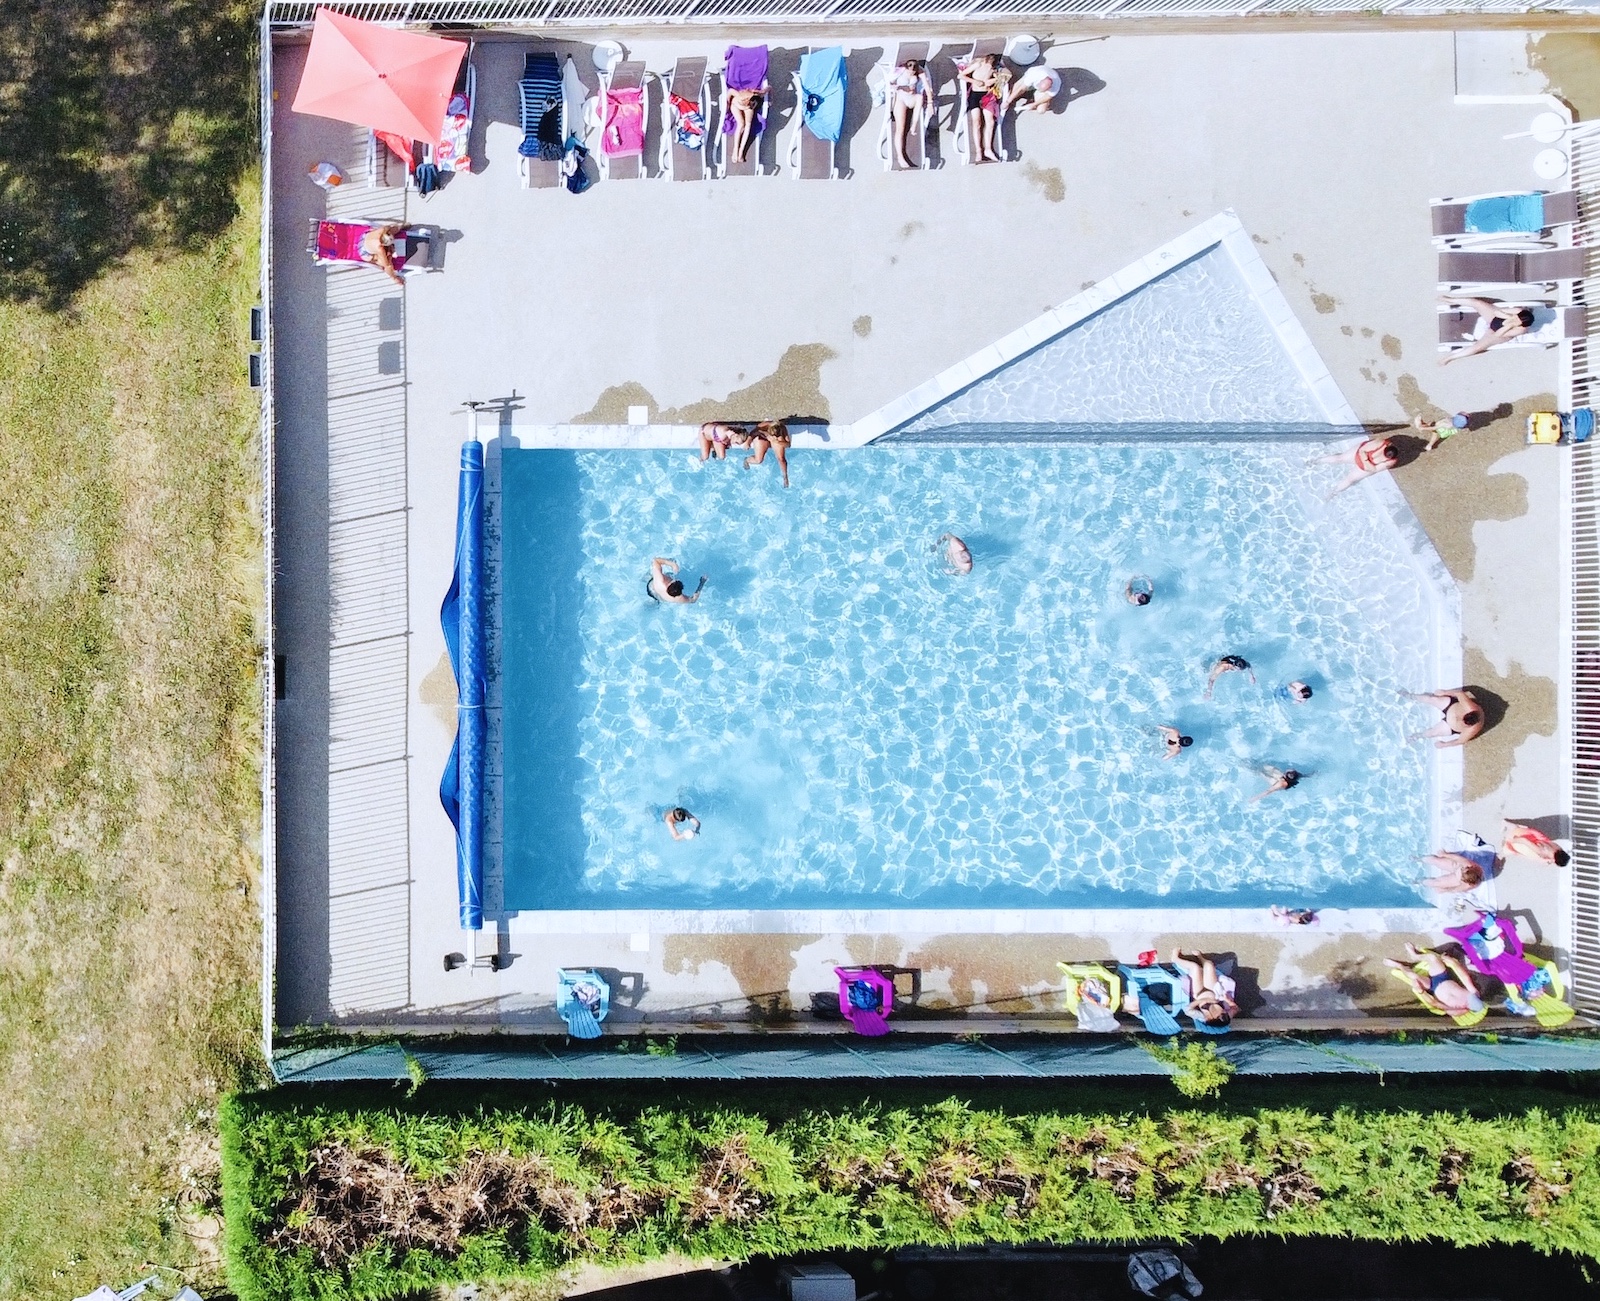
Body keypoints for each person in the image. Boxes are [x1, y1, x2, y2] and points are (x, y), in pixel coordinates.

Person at [1385, 942, 1484, 1017]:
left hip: (1433, 987)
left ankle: (1399, 966)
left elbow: (1434, 1004)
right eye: (1470, 999)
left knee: (1414, 977)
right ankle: (1415, 956)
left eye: (1467, 1002)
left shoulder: (1458, 1010)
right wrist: (1454, 964)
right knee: (1433, 958)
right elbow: (1465, 977)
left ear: (1468, 1007)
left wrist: (1421, 992)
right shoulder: (1473, 993)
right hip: (1443, 977)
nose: (1467, 1000)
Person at [1438, 296, 1536, 367]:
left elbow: (1498, 334)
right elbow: (1497, 312)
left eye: (1517, 322)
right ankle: (1450, 300)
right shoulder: (1518, 311)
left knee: (1477, 347)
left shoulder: (1521, 330)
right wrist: (1509, 317)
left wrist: (1510, 324)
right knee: (1478, 303)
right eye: (1516, 317)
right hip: (1494, 317)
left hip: (1497, 333)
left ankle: (1449, 358)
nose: (1515, 320)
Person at [1311, 436, 1399, 498]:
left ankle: (1315, 462)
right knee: (1342, 464)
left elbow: (1364, 454)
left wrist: (1365, 459)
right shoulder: (1386, 453)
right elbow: (1373, 467)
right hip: (1364, 463)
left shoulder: (1383, 449)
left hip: (1361, 458)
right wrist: (1367, 462)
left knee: (1345, 469)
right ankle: (1330, 493)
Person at [958, 52, 1006, 163]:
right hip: (975, 95)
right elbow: (960, 75)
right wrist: (974, 81)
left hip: (987, 96)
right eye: (989, 64)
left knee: (990, 122)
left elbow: (1003, 78)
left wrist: (994, 80)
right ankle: (979, 151)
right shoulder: (978, 65)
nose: (989, 67)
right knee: (977, 122)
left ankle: (988, 150)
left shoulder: (994, 70)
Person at [1171, 949, 1237, 1027]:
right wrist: (1227, 1000)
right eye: (1224, 1013)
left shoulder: (1203, 1017)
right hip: (1213, 991)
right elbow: (1235, 1008)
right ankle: (1200, 957)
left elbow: (1187, 1009)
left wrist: (1203, 1000)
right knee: (1209, 965)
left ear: (1212, 1018)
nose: (1223, 1012)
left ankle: (1176, 959)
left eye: (1220, 1014)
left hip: (1198, 993)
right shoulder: (1227, 1016)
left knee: (1195, 967)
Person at [1401, 688, 1485, 748]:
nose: (1458, 719)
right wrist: (1445, 692)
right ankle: (1409, 695)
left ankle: (1415, 736)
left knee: (1431, 733)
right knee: (1430, 698)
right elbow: (1459, 693)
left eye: (1463, 722)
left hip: (1451, 727)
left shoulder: (1473, 729)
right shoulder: (1469, 707)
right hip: (1451, 706)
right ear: (1468, 712)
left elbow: (1460, 741)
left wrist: (1445, 744)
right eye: (1462, 717)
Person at [888, 58, 933, 170]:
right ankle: (900, 157)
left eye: (913, 71)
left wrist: (931, 103)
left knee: (919, 97)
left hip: (911, 98)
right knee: (900, 129)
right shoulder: (900, 70)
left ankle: (914, 125)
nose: (912, 72)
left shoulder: (919, 71)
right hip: (901, 98)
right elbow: (890, 83)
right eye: (910, 71)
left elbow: (927, 88)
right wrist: (904, 87)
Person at [1502, 818, 1570, 866]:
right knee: (1509, 849)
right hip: (1521, 838)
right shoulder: (1542, 852)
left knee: (1517, 829)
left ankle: (1508, 825)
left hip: (1532, 835)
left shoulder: (1558, 848)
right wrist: (1513, 840)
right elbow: (1525, 841)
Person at [744, 420, 791, 487]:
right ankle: (746, 460)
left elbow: (788, 445)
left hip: (775, 441)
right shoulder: (763, 426)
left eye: (776, 435)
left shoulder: (782, 428)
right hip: (762, 437)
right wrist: (748, 442)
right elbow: (753, 433)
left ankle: (785, 477)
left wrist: (777, 441)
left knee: (781, 459)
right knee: (758, 460)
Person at [724, 85, 764, 164]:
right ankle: (735, 150)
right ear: (748, 100)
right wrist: (727, 103)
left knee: (748, 125)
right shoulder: (741, 96)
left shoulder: (757, 96)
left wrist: (771, 99)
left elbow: (769, 88)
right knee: (741, 124)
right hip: (736, 104)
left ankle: (741, 152)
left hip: (747, 106)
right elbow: (730, 91)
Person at [1417, 850, 1487, 893]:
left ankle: (1420, 881)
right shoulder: (1467, 864)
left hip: (1458, 879)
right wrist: (1445, 854)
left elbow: (1456, 889)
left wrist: (1445, 890)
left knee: (1437, 883)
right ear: (1468, 868)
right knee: (1436, 860)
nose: (1462, 872)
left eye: (1462, 875)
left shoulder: (1467, 885)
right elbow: (1457, 858)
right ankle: (1419, 858)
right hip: (1458, 866)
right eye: (1464, 870)